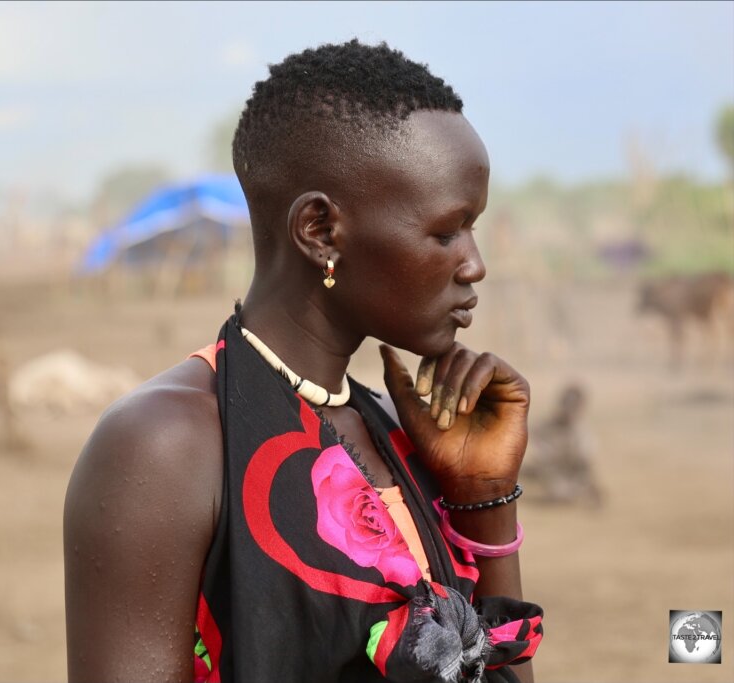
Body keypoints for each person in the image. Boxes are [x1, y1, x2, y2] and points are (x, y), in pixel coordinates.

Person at [65, 40, 544, 683]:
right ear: (320, 231)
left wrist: (484, 500)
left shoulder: (390, 431)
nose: (474, 264)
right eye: (446, 231)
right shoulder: (165, 445)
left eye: (474, 229)